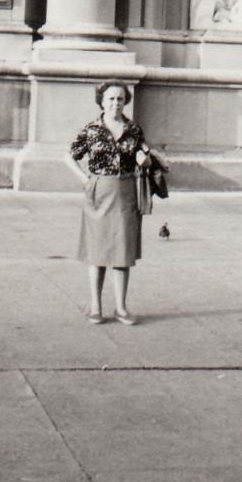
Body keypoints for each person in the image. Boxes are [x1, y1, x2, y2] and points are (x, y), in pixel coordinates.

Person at [65, 80, 151, 326]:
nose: (115, 103)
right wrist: (86, 181)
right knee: (97, 250)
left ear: (125, 102)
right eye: (111, 99)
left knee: (123, 251)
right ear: (102, 102)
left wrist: (144, 160)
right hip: (99, 191)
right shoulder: (92, 129)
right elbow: (70, 156)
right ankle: (96, 306)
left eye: (120, 99)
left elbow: (146, 156)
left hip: (126, 191)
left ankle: (121, 308)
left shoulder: (134, 130)